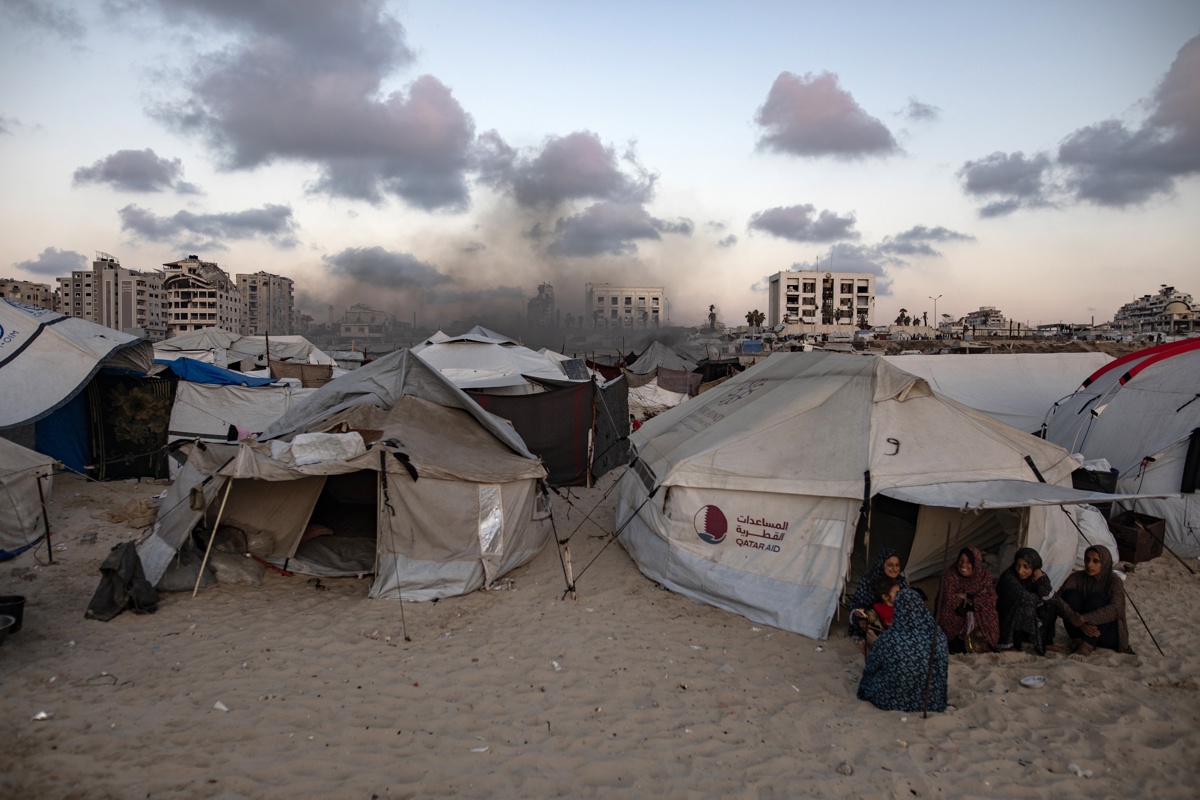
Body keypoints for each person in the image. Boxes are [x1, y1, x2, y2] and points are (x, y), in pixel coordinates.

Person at [857, 588, 949, 713]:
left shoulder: (890, 638)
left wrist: (874, 645)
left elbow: (872, 668)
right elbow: (942, 671)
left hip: (892, 700)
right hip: (931, 701)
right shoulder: (938, 635)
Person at [1050, 545, 1132, 655]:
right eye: (1087, 559)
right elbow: (1057, 600)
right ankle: (1078, 641)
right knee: (1069, 595)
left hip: (1105, 635)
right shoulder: (1077, 577)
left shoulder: (1114, 581)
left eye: (1095, 561)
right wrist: (1076, 620)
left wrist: (1084, 619)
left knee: (1098, 598)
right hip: (1079, 630)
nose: (1089, 565)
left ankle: (1087, 646)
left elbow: (1116, 609)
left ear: (1105, 562)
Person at [936, 546, 999, 653]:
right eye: (961, 560)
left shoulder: (984, 576)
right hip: (955, 618)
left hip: (977, 616)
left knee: (989, 614)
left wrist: (967, 597)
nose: (963, 565)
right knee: (949, 616)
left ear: (976, 563)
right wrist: (977, 598)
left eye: (969, 562)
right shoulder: (950, 575)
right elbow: (949, 600)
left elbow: (991, 599)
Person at [848, 549, 908, 653]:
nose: (894, 569)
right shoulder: (869, 581)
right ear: (882, 564)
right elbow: (859, 605)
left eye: (897, 565)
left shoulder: (901, 582)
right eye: (890, 565)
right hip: (871, 618)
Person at [996, 547, 1054, 654]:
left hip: (1028, 613)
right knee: (1023, 608)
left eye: (1026, 567)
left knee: (1051, 606)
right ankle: (1014, 644)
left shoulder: (1037, 575)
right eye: (1018, 565)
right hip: (1007, 616)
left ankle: (1046, 642)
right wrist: (1041, 598)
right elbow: (1025, 598)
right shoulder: (1008, 577)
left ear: (1035, 567)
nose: (1020, 571)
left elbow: (1048, 596)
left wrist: (1041, 578)